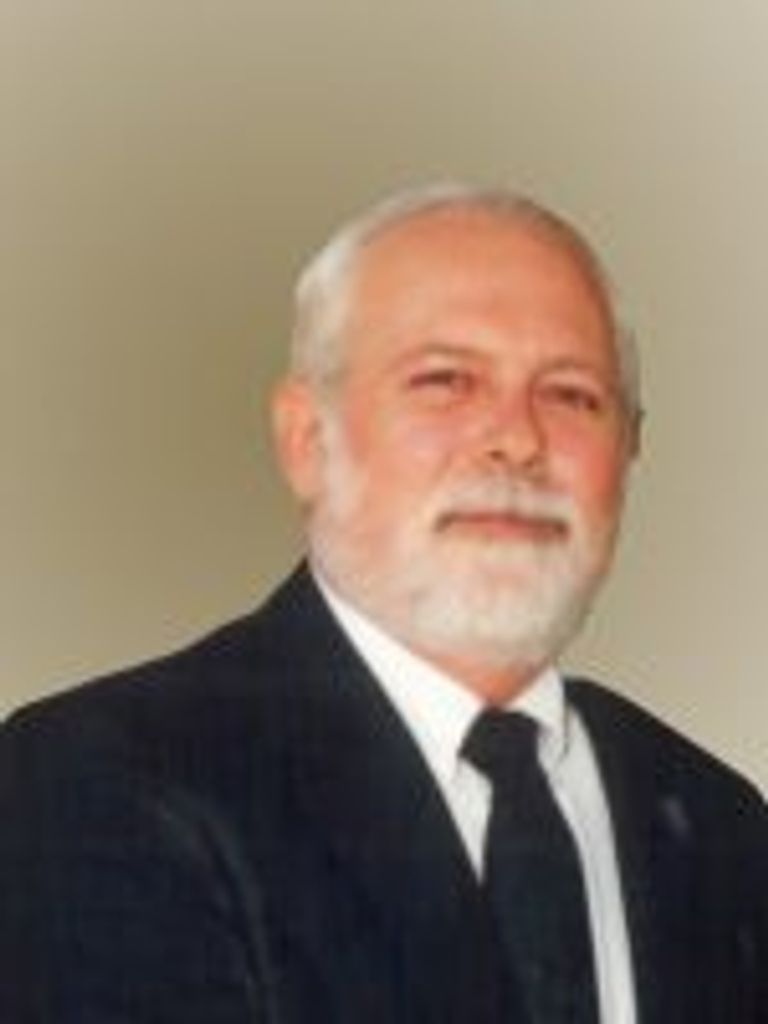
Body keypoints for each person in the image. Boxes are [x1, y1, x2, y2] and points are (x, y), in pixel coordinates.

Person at [1, 183, 765, 1024]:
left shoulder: (717, 822)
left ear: (629, 450)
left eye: (572, 394)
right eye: (446, 381)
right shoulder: (98, 784)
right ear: (307, 440)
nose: (518, 439)